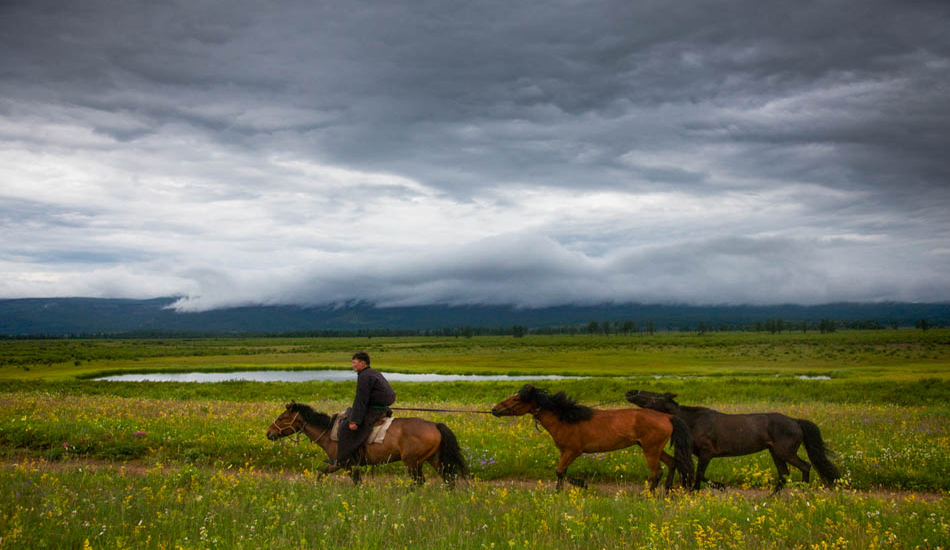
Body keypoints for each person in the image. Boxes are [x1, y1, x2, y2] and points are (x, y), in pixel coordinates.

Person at [324, 351, 396, 471]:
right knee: (349, 413)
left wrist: (355, 421)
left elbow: (361, 399)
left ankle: (344, 459)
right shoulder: (373, 372)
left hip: (374, 410)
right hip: (380, 407)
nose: (353, 365)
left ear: (362, 363)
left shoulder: (364, 376)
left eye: (354, 363)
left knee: (345, 428)